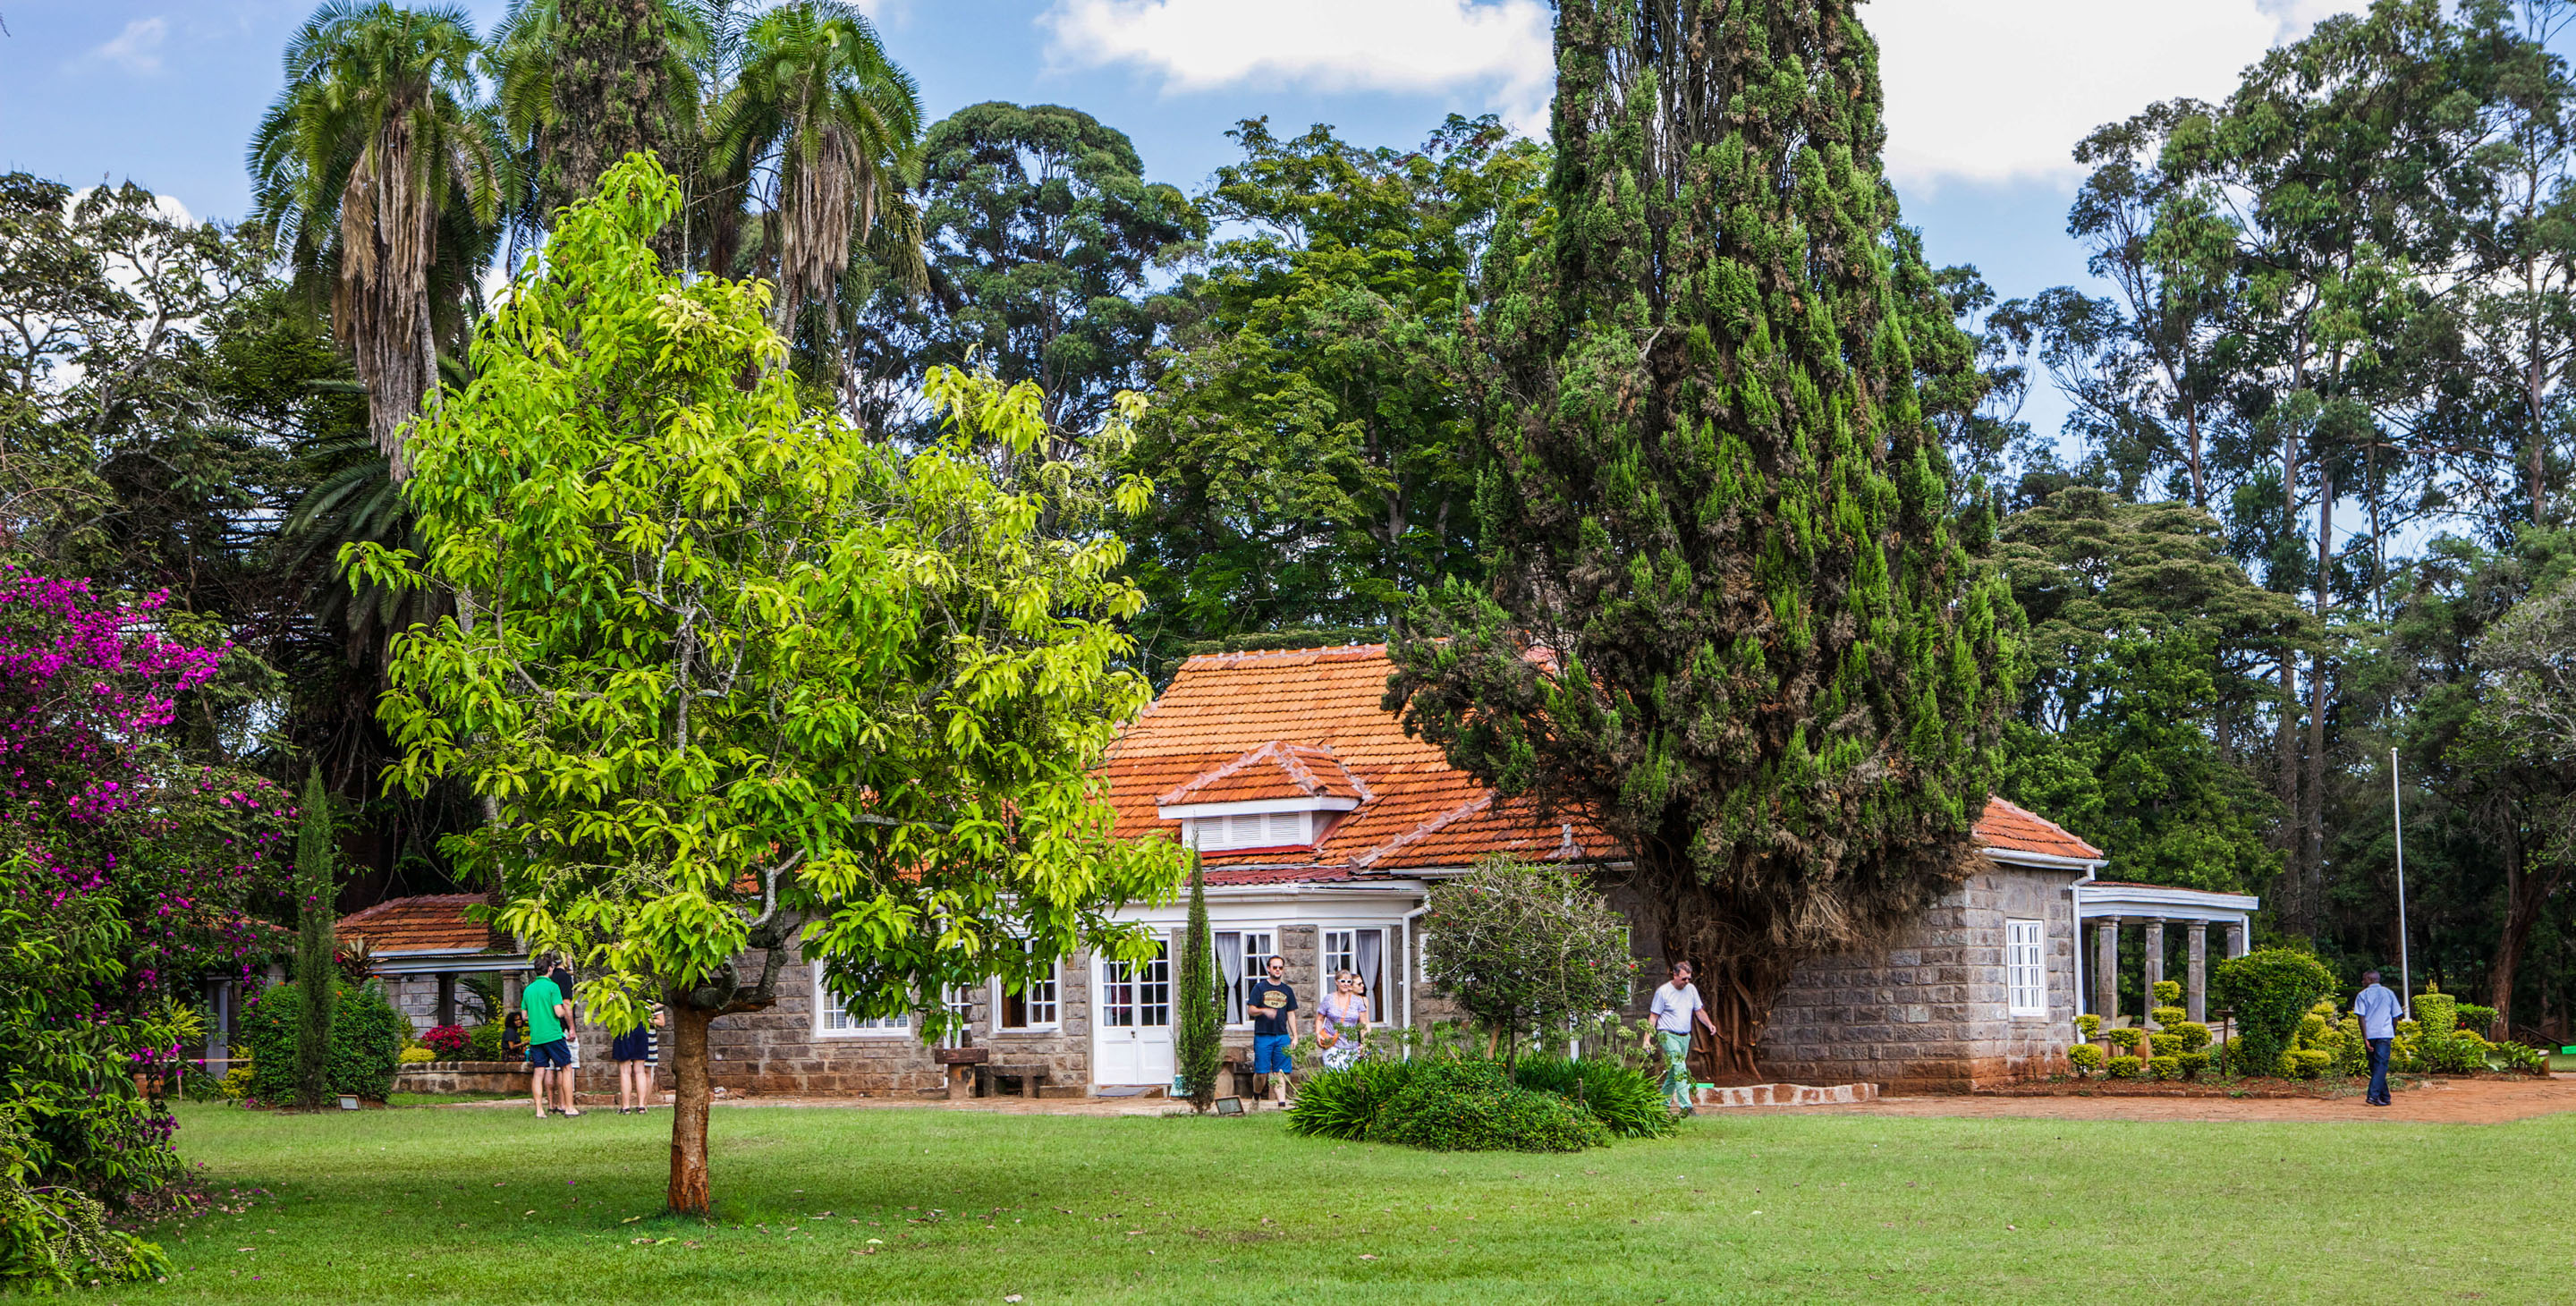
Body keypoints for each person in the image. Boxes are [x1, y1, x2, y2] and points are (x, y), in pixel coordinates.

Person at [1646, 960, 1719, 1115]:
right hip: (1667, 1034)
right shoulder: (1663, 992)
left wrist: (1709, 1024)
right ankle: (1686, 1107)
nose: (1686, 982)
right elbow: (1653, 1017)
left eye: (1689, 979)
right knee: (1680, 1067)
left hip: (1684, 1036)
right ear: (1675, 975)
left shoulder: (1691, 989)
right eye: (1683, 978)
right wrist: (1647, 1039)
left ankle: (1661, 1106)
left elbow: (1699, 1011)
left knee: (1674, 1072)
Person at [521, 960, 573, 1119]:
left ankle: (539, 1111)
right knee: (566, 1067)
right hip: (553, 1034)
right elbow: (558, 1012)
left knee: (539, 1072)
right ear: (550, 969)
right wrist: (566, 1010)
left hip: (537, 1037)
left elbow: (524, 1016)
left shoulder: (529, 989)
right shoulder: (552, 987)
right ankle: (570, 1108)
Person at [1246, 954, 1299, 1108]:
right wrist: (1264, 1011)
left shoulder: (1287, 990)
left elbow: (1291, 1014)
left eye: (1280, 967)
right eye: (1274, 967)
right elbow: (1251, 1010)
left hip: (1282, 1036)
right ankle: (1256, 1098)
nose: (1277, 970)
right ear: (1268, 969)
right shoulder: (1259, 988)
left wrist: (1295, 1036)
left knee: (1280, 1072)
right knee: (1261, 1073)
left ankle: (1281, 1106)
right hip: (1263, 1035)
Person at [2355, 969, 2402, 1107]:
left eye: (2364, 979)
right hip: (2384, 1034)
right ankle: (2383, 1096)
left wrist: (2365, 1038)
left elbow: (2361, 1017)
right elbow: (2396, 1016)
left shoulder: (2362, 995)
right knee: (2380, 1066)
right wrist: (2391, 1031)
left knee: (2375, 1066)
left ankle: (2375, 1095)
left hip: (2370, 1034)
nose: (2362, 982)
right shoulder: (2389, 993)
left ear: (2370, 979)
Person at [610, 1002, 665, 1115]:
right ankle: (641, 1106)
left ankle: (626, 1107)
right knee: (640, 1071)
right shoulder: (645, 998)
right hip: (641, 1028)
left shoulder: (620, 994)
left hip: (625, 1027)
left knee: (625, 1071)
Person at [1315, 971, 1369, 1072]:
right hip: (1332, 1044)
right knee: (1333, 1078)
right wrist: (1318, 1033)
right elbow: (1319, 1018)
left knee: (1349, 1080)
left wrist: (1364, 1043)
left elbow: (1363, 1024)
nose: (1345, 984)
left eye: (1349, 981)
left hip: (1352, 1047)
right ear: (1336, 982)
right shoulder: (1328, 999)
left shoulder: (1357, 1001)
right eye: (1343, 981)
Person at [550, 962, 583, 1116]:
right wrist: (571, 1028)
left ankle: (553, 1104)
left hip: (550, 1029)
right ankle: (565, 1104)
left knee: (551, 1068)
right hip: (562, 1028)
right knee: (566, 1067)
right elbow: (566, 1004)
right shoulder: (564, 977)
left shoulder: (549, 978)